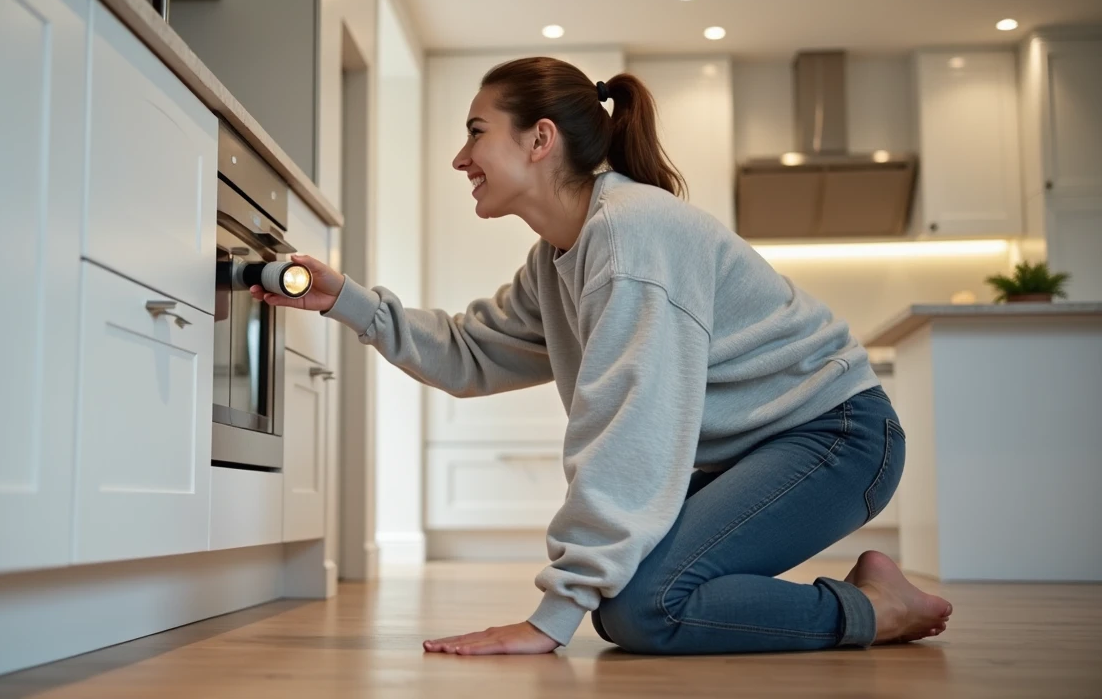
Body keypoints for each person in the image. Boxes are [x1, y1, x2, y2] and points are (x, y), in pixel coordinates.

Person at [251, 56, 953, 657]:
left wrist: (547, 622)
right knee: (631, 606)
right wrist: (346, 300)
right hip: (757, 450)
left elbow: (631, 428)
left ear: (539, 140)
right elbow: (469, 354)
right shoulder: (558, 257)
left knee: (648, 608)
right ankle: (869, 602)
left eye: (475, 133)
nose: (461, 159)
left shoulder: (630, 239)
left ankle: (875, 611)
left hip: (837, 437)